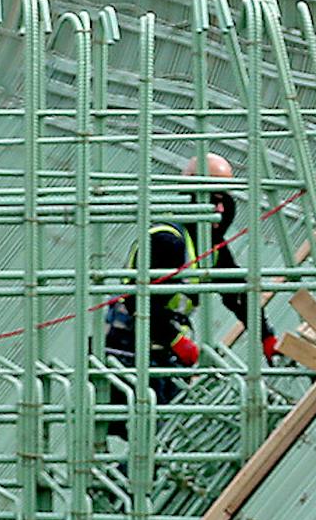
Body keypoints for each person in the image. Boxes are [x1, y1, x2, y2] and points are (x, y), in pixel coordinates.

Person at [104, 153, 279, 408]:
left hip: (163, 351)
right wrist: (177, 339)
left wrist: (266, 336)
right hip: (129, 351)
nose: (221, 210)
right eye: (214, 200)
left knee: (168, 427)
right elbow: (137, 299)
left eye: (226, 200)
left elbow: (237, 293)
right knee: (155, 427)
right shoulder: (168, 239)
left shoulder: (209, 244)